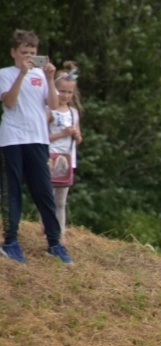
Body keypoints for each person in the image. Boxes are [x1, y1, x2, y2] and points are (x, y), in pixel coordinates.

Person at [0, 29, 73, 264]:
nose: (28, 56)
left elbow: (52, 104)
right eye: (24, 52)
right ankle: (10, 242)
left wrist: (51, 79)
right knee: (12, 191)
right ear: (13, 52)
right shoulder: (4, 74)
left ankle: (54, 243)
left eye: (32, 53)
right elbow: (9, 103)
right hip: (12, 139)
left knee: (43, 190)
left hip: (38, 139)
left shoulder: (42, 76)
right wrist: (21, 74)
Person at [47, 61, 82, 239]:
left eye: (69, 92)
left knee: (61, 201)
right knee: (48, 197)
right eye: (62, 91)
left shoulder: (73, 113)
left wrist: (75, 135)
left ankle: (60, 234)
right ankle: (46, 229)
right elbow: (44, 137)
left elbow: (79, 139)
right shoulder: (49, 111)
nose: (65, 95)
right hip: (50, 157)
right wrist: (62, 133)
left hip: (67, 161)